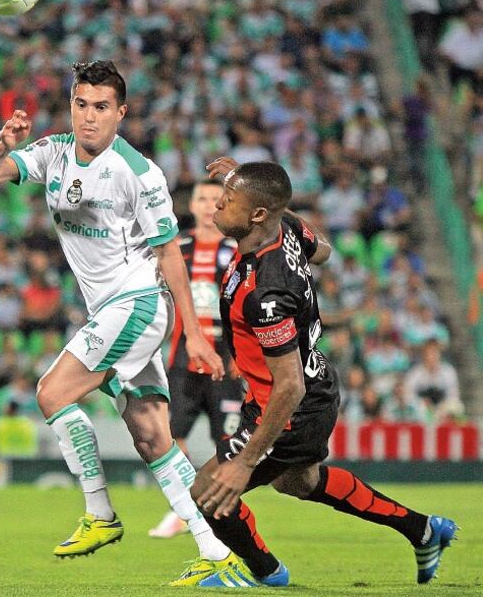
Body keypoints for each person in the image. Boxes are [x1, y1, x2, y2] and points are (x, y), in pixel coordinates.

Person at [0, 61, 241, 582]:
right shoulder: (51, 153)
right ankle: (219, 554)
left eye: (100, 108)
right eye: (80, 104)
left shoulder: (139, 174)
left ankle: (99, 513)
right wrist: (5, 144)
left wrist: (198, 335)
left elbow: (170, 256)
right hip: (111, 311)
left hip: (137, 304)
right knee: (151, 436)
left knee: (52, 393)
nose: (88, 117)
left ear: (121, 112)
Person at [182, 158, 457, 588]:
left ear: (257, 215)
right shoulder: (285, 229)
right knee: (300, 481)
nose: (217, 204)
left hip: (291, 405)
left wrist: (244, 463)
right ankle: (423, 530)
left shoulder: (266, 292)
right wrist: (263, 196)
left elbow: (287, 387)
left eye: (229, 199)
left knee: (209, 490)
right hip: (315, 385)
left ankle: (265, 574)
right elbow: (324, 251)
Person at [149, 178, 244, 539]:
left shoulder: (237, 250)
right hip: (181, 360)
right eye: (202, 199)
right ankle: (185, 506)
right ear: (191, 205)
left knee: (230, 442)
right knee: (171, 437)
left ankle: (217, 508)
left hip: (226, 360)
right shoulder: (176, 249)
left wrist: (241, 355)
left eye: (215, 200)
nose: (208, 206)